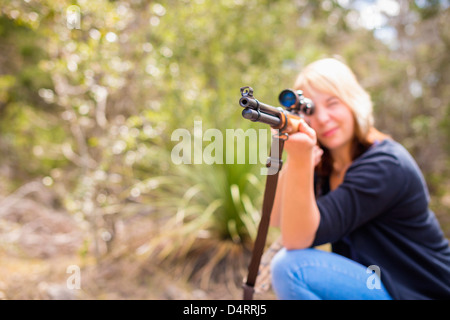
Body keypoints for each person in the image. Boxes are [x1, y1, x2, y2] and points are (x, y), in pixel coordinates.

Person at [268, 57, 450, 300]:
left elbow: (295, 240)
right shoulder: (324, 165)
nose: (322, 119)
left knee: (291, 269)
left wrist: (300, 159)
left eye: (333, 104)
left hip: (417, 292)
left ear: (354, 102)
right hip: (378, 284)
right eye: (310, 110)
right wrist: (294, 158)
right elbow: (275, 217)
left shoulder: (385, 165)